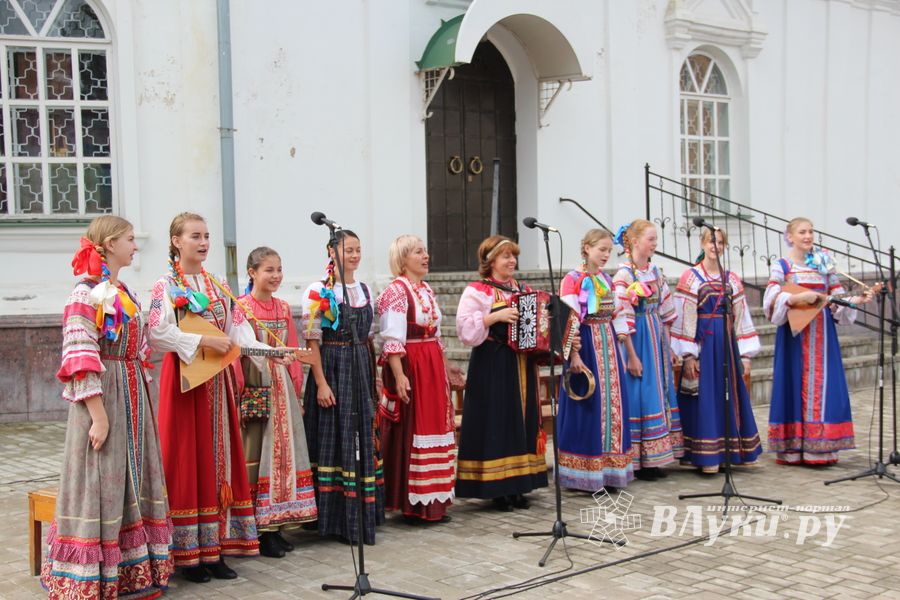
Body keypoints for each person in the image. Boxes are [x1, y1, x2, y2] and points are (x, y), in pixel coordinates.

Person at [43, 216, 173, 599]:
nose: (136, 246)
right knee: (103, 479)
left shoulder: (123, 291)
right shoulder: (84, 294)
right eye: (131, 239)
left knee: (134, 476)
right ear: (110, 244)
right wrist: (98, 417)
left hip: (132, 394)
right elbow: (80, 355)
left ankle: (135, 571)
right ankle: (92, 577)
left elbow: (141, 347)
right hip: (107, 398)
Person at [149, 212, 267, 582]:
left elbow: (238, 328)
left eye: (206, 236)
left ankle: (214, 548)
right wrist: (204, 340)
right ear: (176, 241)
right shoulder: (164, 286)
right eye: (194, 236)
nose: (203, 243)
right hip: (184, 382)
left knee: (218, 460)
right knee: (187, 458)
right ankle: (187, 554)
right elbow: (157, 332)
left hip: (216, 381)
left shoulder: (217, 285)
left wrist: (269, 353)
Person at [764, 217, 876, 465]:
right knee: (793, 383)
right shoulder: (782, 266)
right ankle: (793, 447)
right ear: (790, 236)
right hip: (795, 333)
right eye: (802, 232)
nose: (807, 236)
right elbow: (771, 300)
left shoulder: (824, 264)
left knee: (824, 386)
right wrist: (794, 298)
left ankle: (820, 447)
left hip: (822, 334)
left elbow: (836, 298)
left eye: (811, 232)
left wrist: (855, 301)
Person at [300, 230, 385, 544]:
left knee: (361, 436)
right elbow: (312, 342)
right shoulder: (318, 290)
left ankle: (361, 515)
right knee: (334, 437)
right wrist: (321, 383)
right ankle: (335, 519)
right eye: (348, 250)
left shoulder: (364, 289)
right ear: (331, 252)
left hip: (359, 366)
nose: (354, 255)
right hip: (333, 367)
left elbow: (369, 337)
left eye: (358, 250)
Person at [455, 235, 548, 511]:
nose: (512, 261)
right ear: (490, 261)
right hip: (492, 363)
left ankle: (519, 485)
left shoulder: (523, 289)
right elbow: (464, 330)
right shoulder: (477, 291)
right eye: (506, 256)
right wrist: (493, 317)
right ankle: (498, 488)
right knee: (497, 421)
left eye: (513, 256)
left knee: (521, 421)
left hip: (521, 363)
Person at [237, 247, 317, 557]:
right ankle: (260, 529)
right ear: (252, 272)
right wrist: (241, 389)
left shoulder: (283, 307)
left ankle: (280, 523)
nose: (276, 275)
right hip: (259, 385)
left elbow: (294, 351)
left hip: (282, 385)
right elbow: (239, 351)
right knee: (260, 454)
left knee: (286, 455)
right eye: (269, 270)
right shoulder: (242, 307)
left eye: (279, 269)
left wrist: (297, 388)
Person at [376, 235, 458, 523]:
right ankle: (413, 504)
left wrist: (447, 368)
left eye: (425, 251)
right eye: (418, 252)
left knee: (435, 425)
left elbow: (436, 335)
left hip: (432, 364)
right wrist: (399, 376)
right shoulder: (396, 292)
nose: (425, 256)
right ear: (402, 259)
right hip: (412, 366)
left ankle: (435, 501)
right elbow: (391, 340)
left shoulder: (425, 289)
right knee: (415, 429)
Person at [671, 228, 762, 473]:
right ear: (702, 243)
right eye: (712, 241)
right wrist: (689, 354)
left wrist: (745, 353)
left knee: (730, 395)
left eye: (720, 242)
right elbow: (685, 317)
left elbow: (741, 316)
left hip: (728, 346)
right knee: (705, 397)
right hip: (705, 345)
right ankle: (706, 456)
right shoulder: (690, 277)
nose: (716, 246)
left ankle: (731, 452)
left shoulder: (731, 278)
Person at [557, 228, 633, 492]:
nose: (605, 255)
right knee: (588, 406)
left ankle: (609, 470)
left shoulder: (607, 281)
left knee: (611, 407)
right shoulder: (572, 279)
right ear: (587, 248)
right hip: (586, 346)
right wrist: (574, 354)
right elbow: (568, 320)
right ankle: (583, 472)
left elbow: (617, 315)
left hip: (608, 347)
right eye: (601, 249)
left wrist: (622, 349)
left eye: (608, 251)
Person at [612, 219, 683, 480]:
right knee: (639, 394)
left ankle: (654, 458)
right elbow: (621, 315)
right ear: (634, 242)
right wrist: (631, 355)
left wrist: (670, 347)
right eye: (651, 239)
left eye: (655, 239)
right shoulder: (624, 275)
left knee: (658, 391)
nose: (655, 243)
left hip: (655, 338)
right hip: (637, 338)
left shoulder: (655, 272)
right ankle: (638, 460)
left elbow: (666, 312)